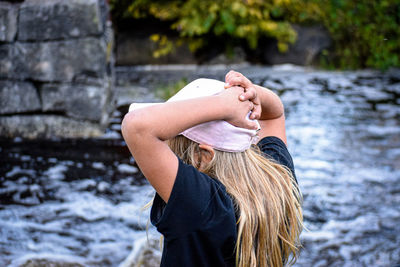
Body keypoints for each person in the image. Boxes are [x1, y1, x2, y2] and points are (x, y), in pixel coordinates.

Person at [121, 70, 303, 267]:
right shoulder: (277, 178)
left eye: (170, 140)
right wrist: (246, 94)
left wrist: (226, 105)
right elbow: (274, 114)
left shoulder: (202, 205)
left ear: (203, 156)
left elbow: (137, 127)